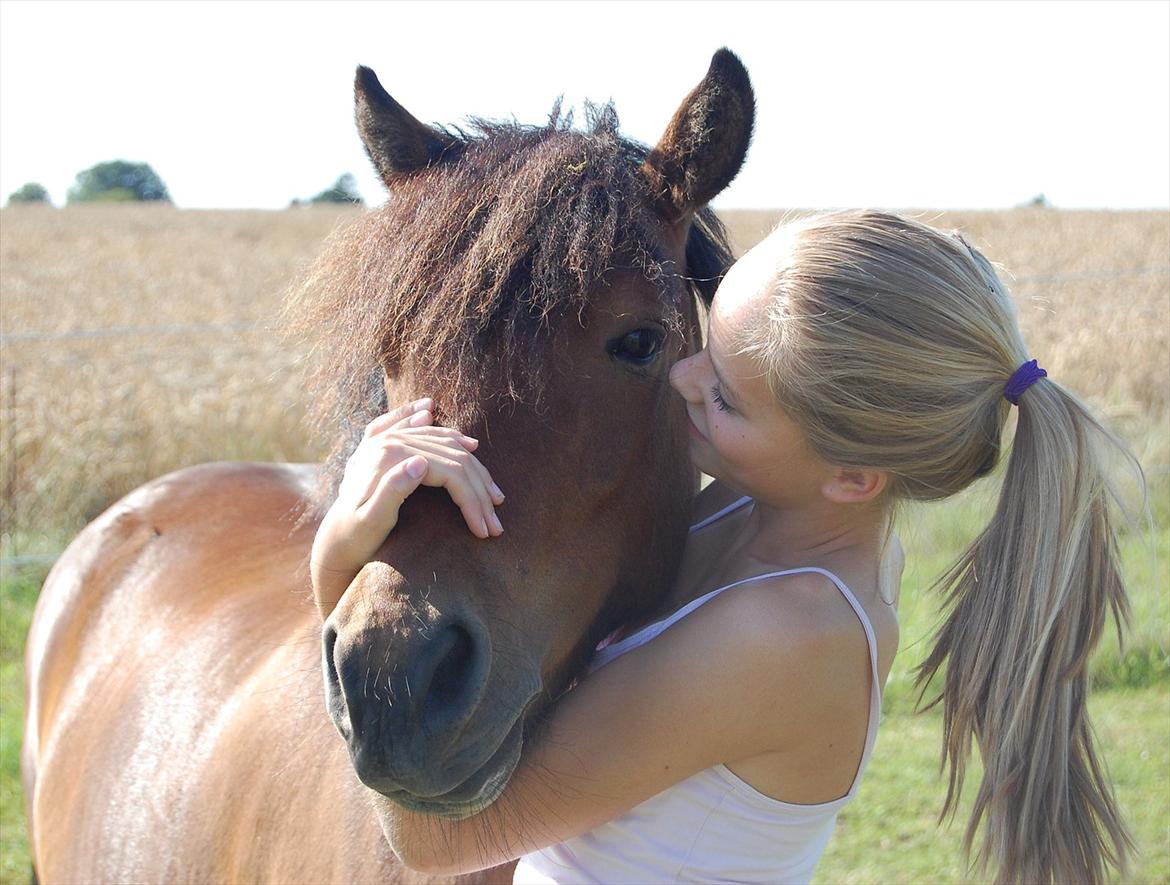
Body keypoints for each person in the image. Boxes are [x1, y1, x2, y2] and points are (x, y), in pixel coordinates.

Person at [311, 210, 1135, 884]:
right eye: (697, 346)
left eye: (728, 398)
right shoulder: (757, 514)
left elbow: (434, 842)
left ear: (852, 475)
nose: (682, 380)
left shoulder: (787, 633)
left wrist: (341, 559)